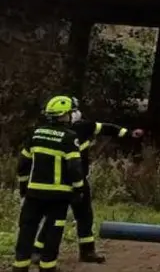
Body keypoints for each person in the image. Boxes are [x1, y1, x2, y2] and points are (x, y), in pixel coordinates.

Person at [33, 97, 144, 265]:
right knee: (55, 217)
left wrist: (128, 133)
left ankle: (87, 251)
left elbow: (105, 128)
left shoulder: (83, 127)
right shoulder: (54, 133)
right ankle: (38, 251)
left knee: (85, 216)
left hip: (79, 181)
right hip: (60, 183)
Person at [14, 96, 86, 272]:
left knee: (27, 230)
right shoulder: (70, 137)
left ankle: (20, 267)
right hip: (58, 196)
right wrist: (79, 189)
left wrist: (24, 187)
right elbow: (75, 167)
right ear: (63, 116)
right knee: (53, 233)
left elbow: (23, 164)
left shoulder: (35, 133)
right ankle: (47, 267)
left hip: (34, 194)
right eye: (70, 113)